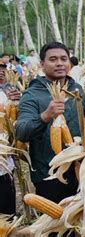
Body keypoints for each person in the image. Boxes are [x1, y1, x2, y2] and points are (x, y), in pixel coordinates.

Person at [16, 42, 85, 203]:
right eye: (53, 59)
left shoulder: (77, 90)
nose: (60, 63)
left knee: (79, 221)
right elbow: (21, 131)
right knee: (57, 226)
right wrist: (46, 115)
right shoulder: (32, 95)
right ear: (42, 64)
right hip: (48, 173)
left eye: (63, 59)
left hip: (80, 168)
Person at [0, 61, 21, 215]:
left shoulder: (8, 93)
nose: (1, 72)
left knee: (7, 206)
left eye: (3, 69)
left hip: (5, 159)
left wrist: (16, 104)